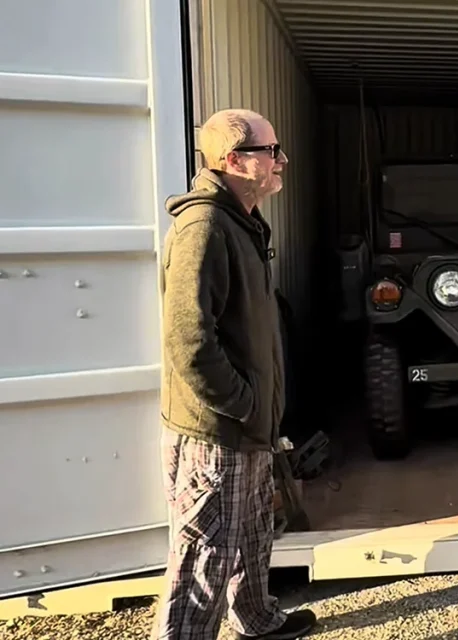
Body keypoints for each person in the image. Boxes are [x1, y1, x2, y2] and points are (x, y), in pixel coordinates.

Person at [153, 108, 317, 640]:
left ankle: (255, 617)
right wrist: (245, 405)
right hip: (218, 432)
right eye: (271, 152)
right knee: (203, 556)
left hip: (248, 427)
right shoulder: (204, 229)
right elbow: (190, 342)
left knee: (250, 532)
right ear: (233, 162)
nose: (282, 162)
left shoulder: (241, 223)